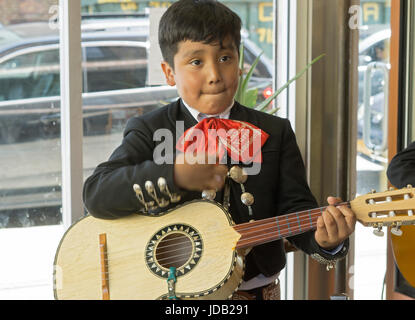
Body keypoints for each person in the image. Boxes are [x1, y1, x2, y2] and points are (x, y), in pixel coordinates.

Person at [83, 0, 356, 300]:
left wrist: (326, 241)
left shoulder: (275, 132)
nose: (214, 74)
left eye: (225, 57)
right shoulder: (149, 129)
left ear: (239, 62)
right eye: (196, 62)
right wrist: (175, 176)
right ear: (169, 72)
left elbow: (297, 212)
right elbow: (97, 194)